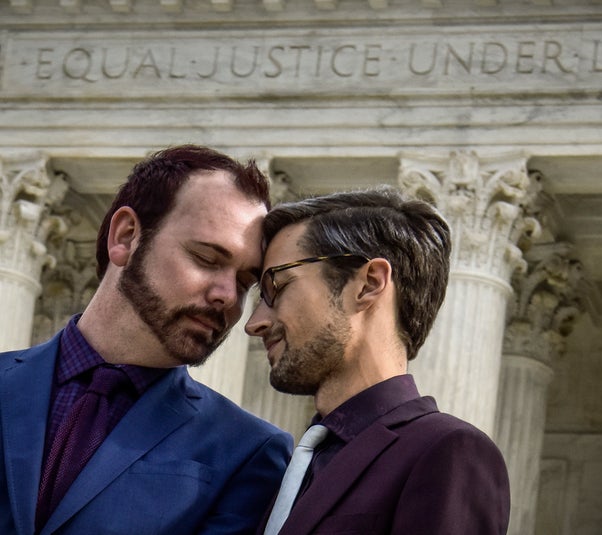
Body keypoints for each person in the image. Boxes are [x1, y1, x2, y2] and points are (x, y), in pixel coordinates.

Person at [0, 145, 293, 535]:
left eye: (244, 283)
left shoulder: (249, 451)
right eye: (207, 259)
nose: (227, 295)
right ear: (126, 236)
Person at [245, 186, 511, 534]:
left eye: (276, 287)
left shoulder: (449, 451)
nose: (254, 323)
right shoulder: (293, 464)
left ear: (369, 284)